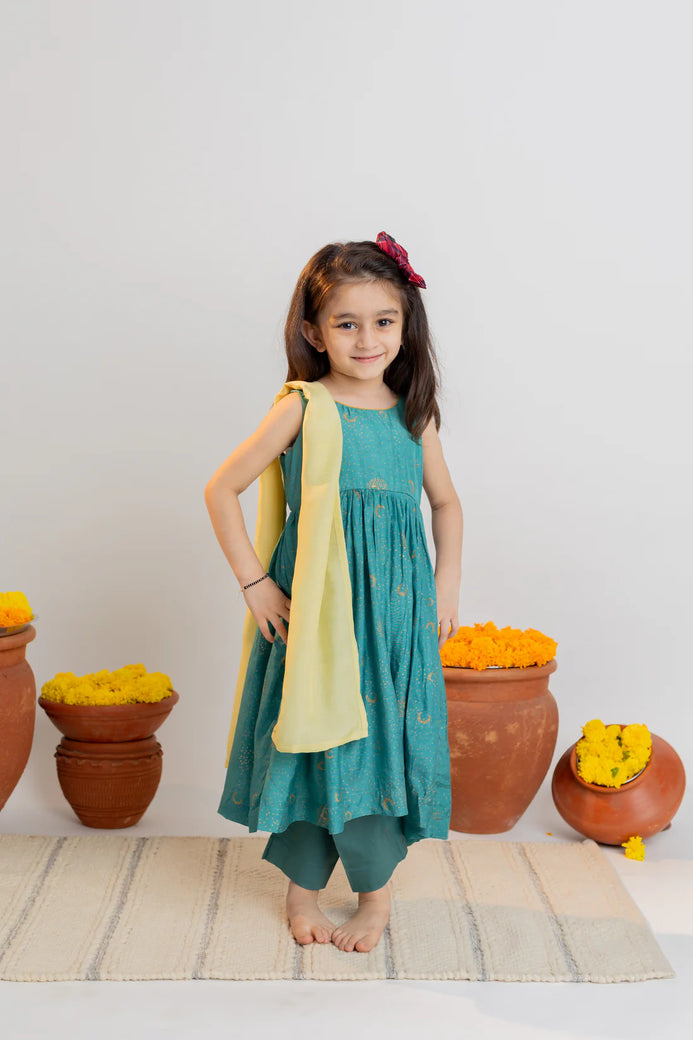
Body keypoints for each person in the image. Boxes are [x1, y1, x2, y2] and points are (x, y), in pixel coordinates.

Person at [205, 232, 463, 953]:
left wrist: (444, 589)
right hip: (321, 615)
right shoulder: (303, 407)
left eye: (383, 321)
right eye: (347, 323)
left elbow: (446, 504)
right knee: (314, 736)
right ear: (314, 332)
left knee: (379, 742)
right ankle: (303, 891)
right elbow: (220, 488)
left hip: (394, 618)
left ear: (405, 326)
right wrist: (255, 584)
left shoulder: (413, 414)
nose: (367, 339)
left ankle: (375, 897)